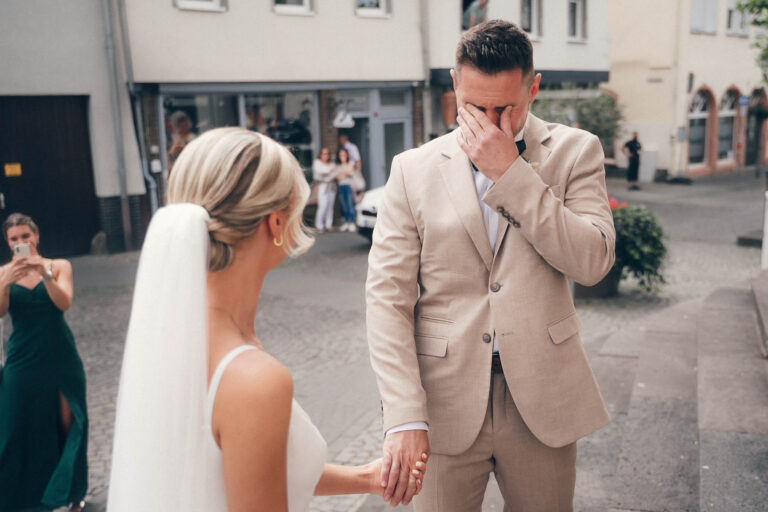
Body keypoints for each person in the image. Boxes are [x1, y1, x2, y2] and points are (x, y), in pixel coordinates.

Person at [107, 128, 426, 511]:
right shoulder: (254, 379)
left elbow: (248, 467)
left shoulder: (167, 336)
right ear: (276, 224)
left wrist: (366, 478)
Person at [366, 20, 615, 511]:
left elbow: (592, 262)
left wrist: (511, 174)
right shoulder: (411, 169)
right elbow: (387, 299)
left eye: (507, 108)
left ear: (534, 88)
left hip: (544, 398)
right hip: (443, 402)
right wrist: (404, 416)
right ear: (455, 85)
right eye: (475, 107)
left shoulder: (576, 151)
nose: (491, 121)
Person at [0, 213, 88, 511]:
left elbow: (63, 302)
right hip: (22, 360)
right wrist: (5, 283)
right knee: (15, 427)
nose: (21, 242)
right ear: (8, 242)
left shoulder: (59, 266)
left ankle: (73, 495)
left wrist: (44, 273)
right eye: (14, 239)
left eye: (26, 236)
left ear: (36, 236)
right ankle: (20, 500)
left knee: (69, 423)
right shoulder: (3, 273)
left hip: (59, 356)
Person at [312, 147, 337, 233]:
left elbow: (334, 174)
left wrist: (328, 174)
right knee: (323, 205)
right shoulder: (317, 162)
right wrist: (329, 171)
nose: (326, 155)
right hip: (322, 186)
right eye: (324, 153)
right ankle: (319, 225)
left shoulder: (331, 163)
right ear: (320, 154)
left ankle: (328, 224)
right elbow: (320, 172)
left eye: (327, 154)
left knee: (330, 206)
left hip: (331, 186)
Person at [335, 147, 357, 232]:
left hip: (348, 186)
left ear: (347, 155)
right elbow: (338, 177)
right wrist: (344, 173)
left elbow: (350, 172)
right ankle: (346, 222)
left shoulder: (350, 163)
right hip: (341, 186)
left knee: (350, 204)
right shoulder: (337, 165)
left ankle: (351, 222)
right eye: (340, 155)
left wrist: (342, 171)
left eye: (344, 154)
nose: (342, 156)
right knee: (344, 205)